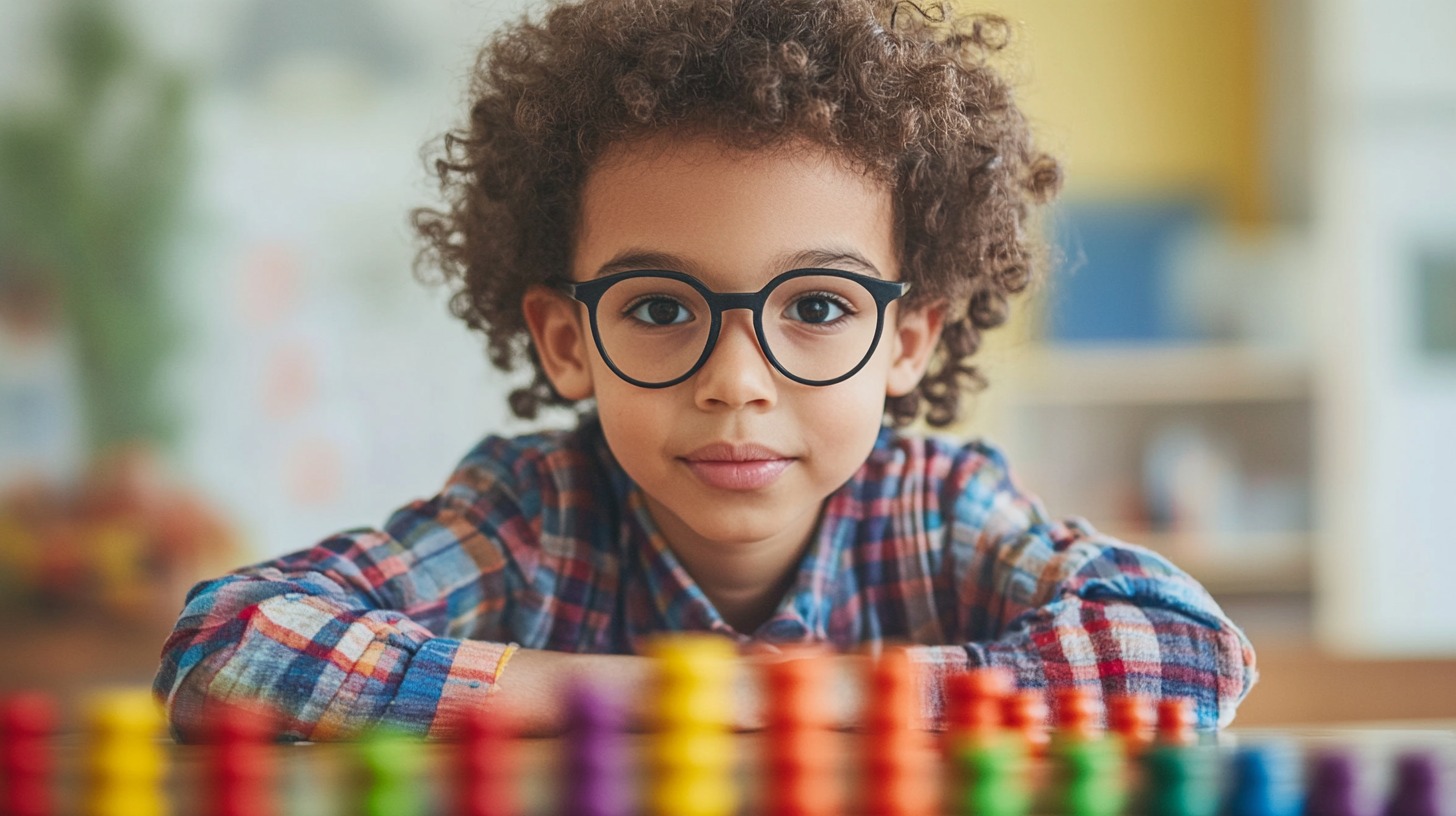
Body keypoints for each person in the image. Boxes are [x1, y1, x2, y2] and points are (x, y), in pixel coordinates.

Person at [155, 0, 1256, 741]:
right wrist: (622, 697)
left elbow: (1189, 652)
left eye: (818, 306)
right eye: (659, 307)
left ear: (906, 340)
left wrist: (813, 696)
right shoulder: (530, 521)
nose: (736, 380)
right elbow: (222, 647)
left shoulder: (937, 513)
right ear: (567, 339)